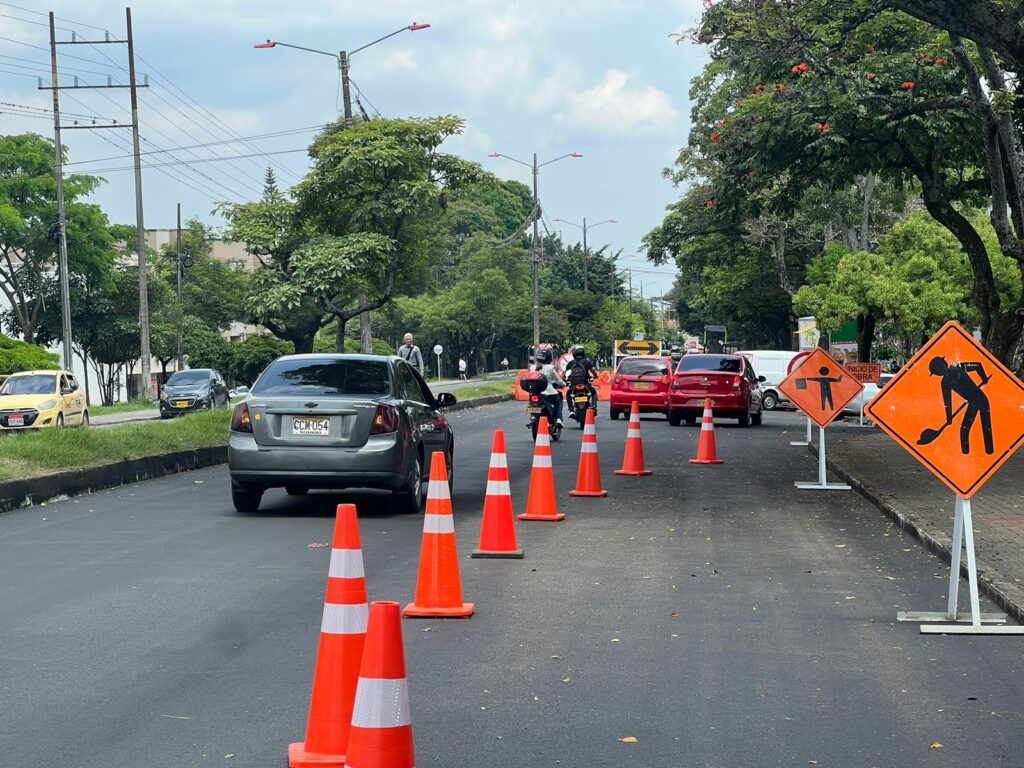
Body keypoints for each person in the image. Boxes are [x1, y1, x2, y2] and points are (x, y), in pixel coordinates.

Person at [928, 356, 993, 455]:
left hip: (981, 399)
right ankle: (966, 454)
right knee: (964, 429)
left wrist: (984, 378)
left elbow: (977, 365)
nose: (940, 370)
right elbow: (947, 402)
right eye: (937, 370)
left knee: (985, 427)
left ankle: (989, 451)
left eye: (939, 368)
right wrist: (949, 418)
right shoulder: (945, 381)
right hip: (973, 402)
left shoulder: (958, 367)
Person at [564, 344, 598, 417]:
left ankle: (571, 410)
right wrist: (595, 376)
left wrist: (566, 380)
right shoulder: (586, 362)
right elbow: (593, 372)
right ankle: (594, 406)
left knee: (568, 394)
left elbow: (565, 375)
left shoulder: (571, 363)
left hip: (574, 387)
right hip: (586, 385)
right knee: (594, 392)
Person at [537, 348, 565, 426]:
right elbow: (557, 380)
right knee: (559, 401)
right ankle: (559, 418)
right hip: (548, 392)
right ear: (549, 358)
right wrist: (563, 384)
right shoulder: (550, 367)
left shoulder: (533, 367)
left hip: (536, 392)